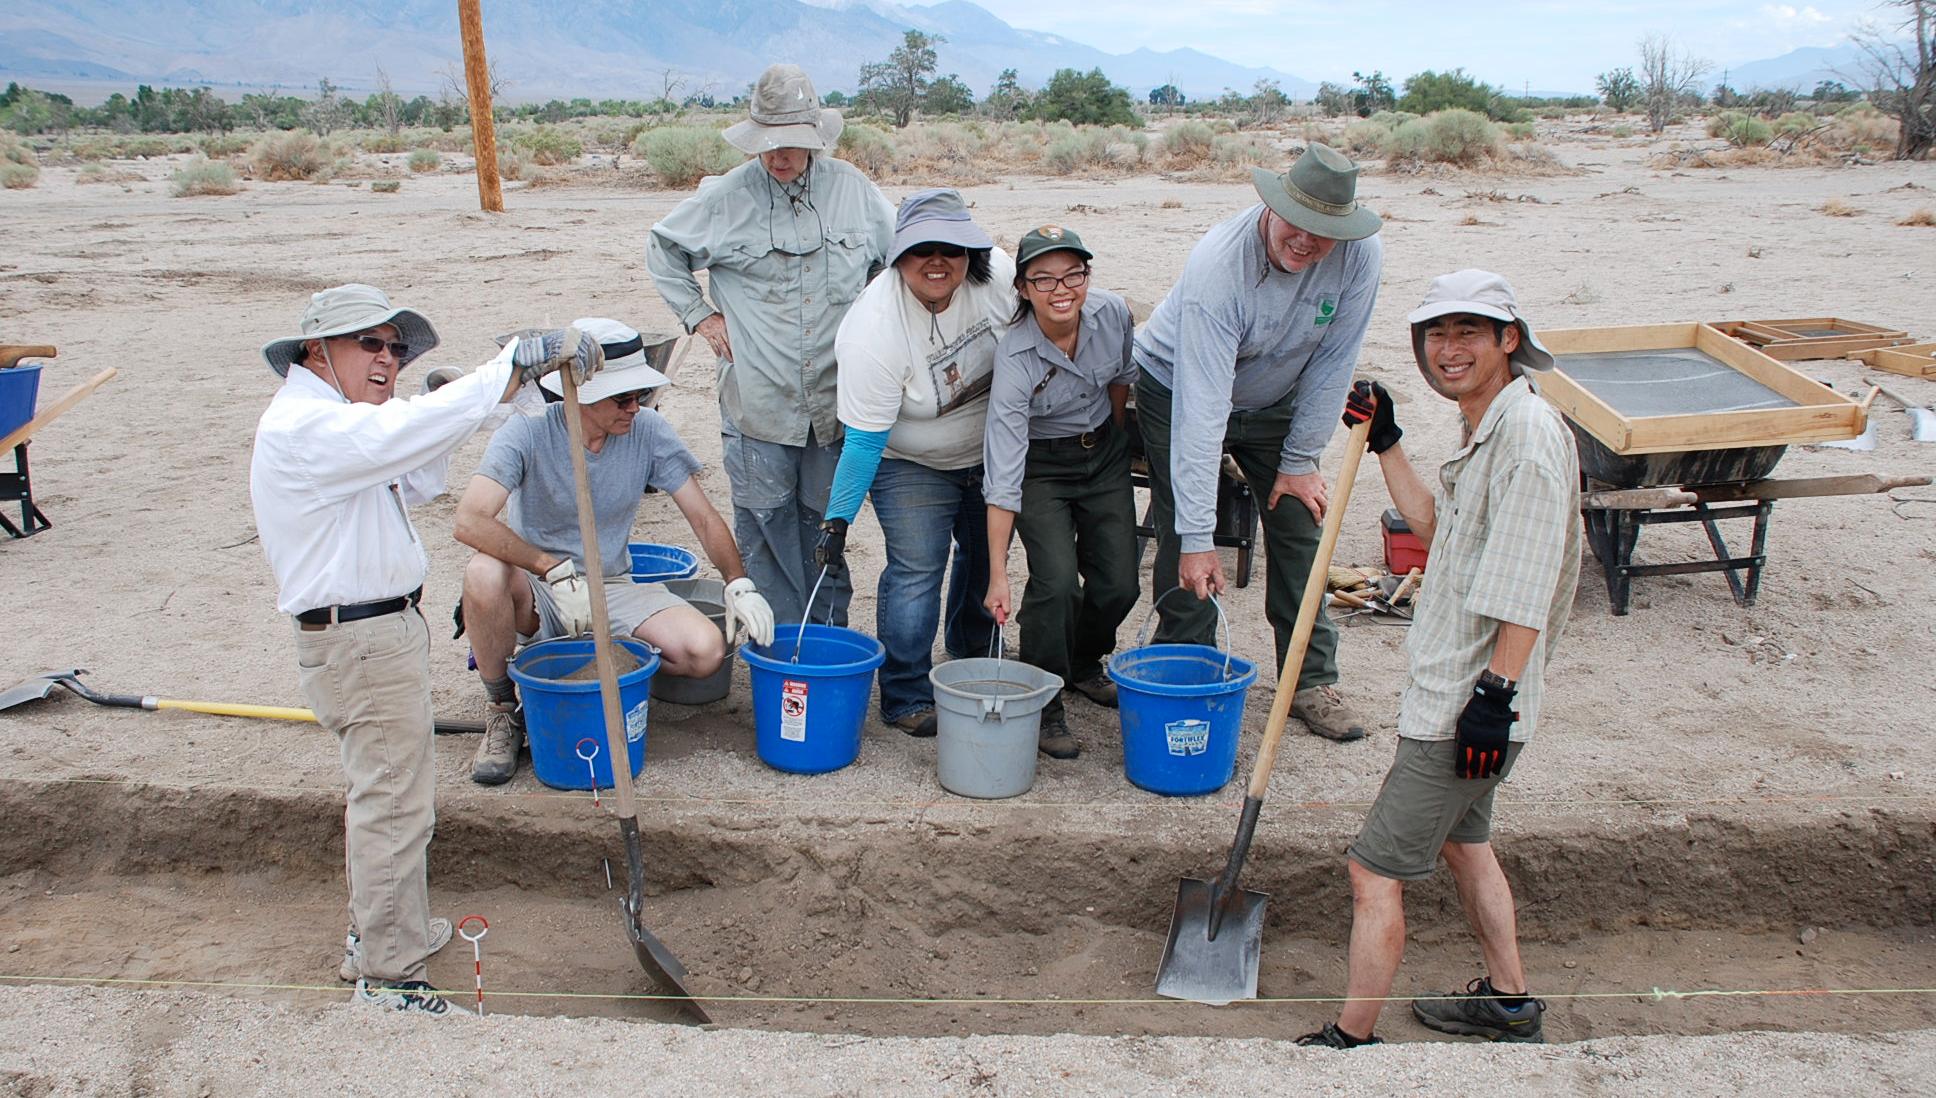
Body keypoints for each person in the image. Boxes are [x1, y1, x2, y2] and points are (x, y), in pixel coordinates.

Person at [251, 284, 601, 1014]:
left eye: (396, 348)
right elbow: (403, 437)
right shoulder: (307, 430)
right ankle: (388, 975)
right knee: (393, 805)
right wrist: (508, 364)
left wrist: (499, 391)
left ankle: (382, 932)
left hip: (379, 632)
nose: (388, 359)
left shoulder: (346, 423)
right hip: (360, 639)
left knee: (392, 796)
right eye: (369, 344)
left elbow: (415, 466)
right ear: (317, 351)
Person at [1296, 271, 1581, 1048]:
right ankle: (1509, 1002)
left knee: (1372, 871)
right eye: (1437, 336)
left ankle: (1350, 1037)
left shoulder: (1523, 441)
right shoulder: (1491, 425)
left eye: (1469, 334)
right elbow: (1438, 529)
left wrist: (1495, 692)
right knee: (1464, 841)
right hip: (1472, 699)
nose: (1449, 350)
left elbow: (1525, 585)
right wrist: (1386, 441)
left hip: (1467, 707)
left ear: (1509, 340)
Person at [1132, 143, 1383, 743]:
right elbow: (1202, 411)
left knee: (1300, 519)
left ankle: (1309, 680)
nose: (1308, 242)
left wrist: (1299, 462)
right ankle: (1185, 658)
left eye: (1325, 232)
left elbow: (1334, 362)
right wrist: (1199, 538)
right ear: (1271, 207)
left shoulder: (1361, 257)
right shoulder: (1220, 265)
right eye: (1299, 225)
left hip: (1278, 393)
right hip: (1178, 385)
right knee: (1183, 522)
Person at [455, 317, 775, 785]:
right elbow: (469, 520)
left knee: (706, 652)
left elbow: (702, 516)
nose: (636, 407)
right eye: (623, 398)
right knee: (482, 574)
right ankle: (503, 706)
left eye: (641, 395)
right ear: (579, 393)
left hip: (612, 585)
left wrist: (738, 582)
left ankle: (609, 664)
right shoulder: (525, 433)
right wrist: (551, 569)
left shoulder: (648, 430)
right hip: (542, 589)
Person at [646, 63, 895, 634]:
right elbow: (663, 247)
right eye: (768, 145)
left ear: (814, 140)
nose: (778, 156)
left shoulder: (854, 191)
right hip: (758, 399)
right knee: (764, 522)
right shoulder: (726, 198)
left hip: (836, 403)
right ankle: (775, 644)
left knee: (827, 523)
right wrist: (701, 316)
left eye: (790, 144)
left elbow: (893, 262)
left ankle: (825, 637)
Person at [815, 189, 1014, 738]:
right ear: (898, 255)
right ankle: (905, 692)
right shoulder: (871, 330)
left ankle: (972, 652)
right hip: (909, 459)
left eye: (951, 248)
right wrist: (838, 521)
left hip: (990, 451)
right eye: (919, 248)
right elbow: (863, 443)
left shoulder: (998, 276)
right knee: (917, 569)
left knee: (983, 556)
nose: (936, 260)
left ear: (970, 254)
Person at [981, 225, 1139, 759]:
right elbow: (1003, 472)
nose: (1061, 289)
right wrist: (998, 574)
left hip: (1104, 454)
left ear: (1088, 277)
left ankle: (1083, 662)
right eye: (1043, 279)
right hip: (1040, 466)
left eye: (1073, 274)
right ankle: (1045, 699)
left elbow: (1121, 377)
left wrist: (1110, 436)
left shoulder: (1113, 313)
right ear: (1023, 289)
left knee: (1119, 583)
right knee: (1055, 584)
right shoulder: (1016, 358)